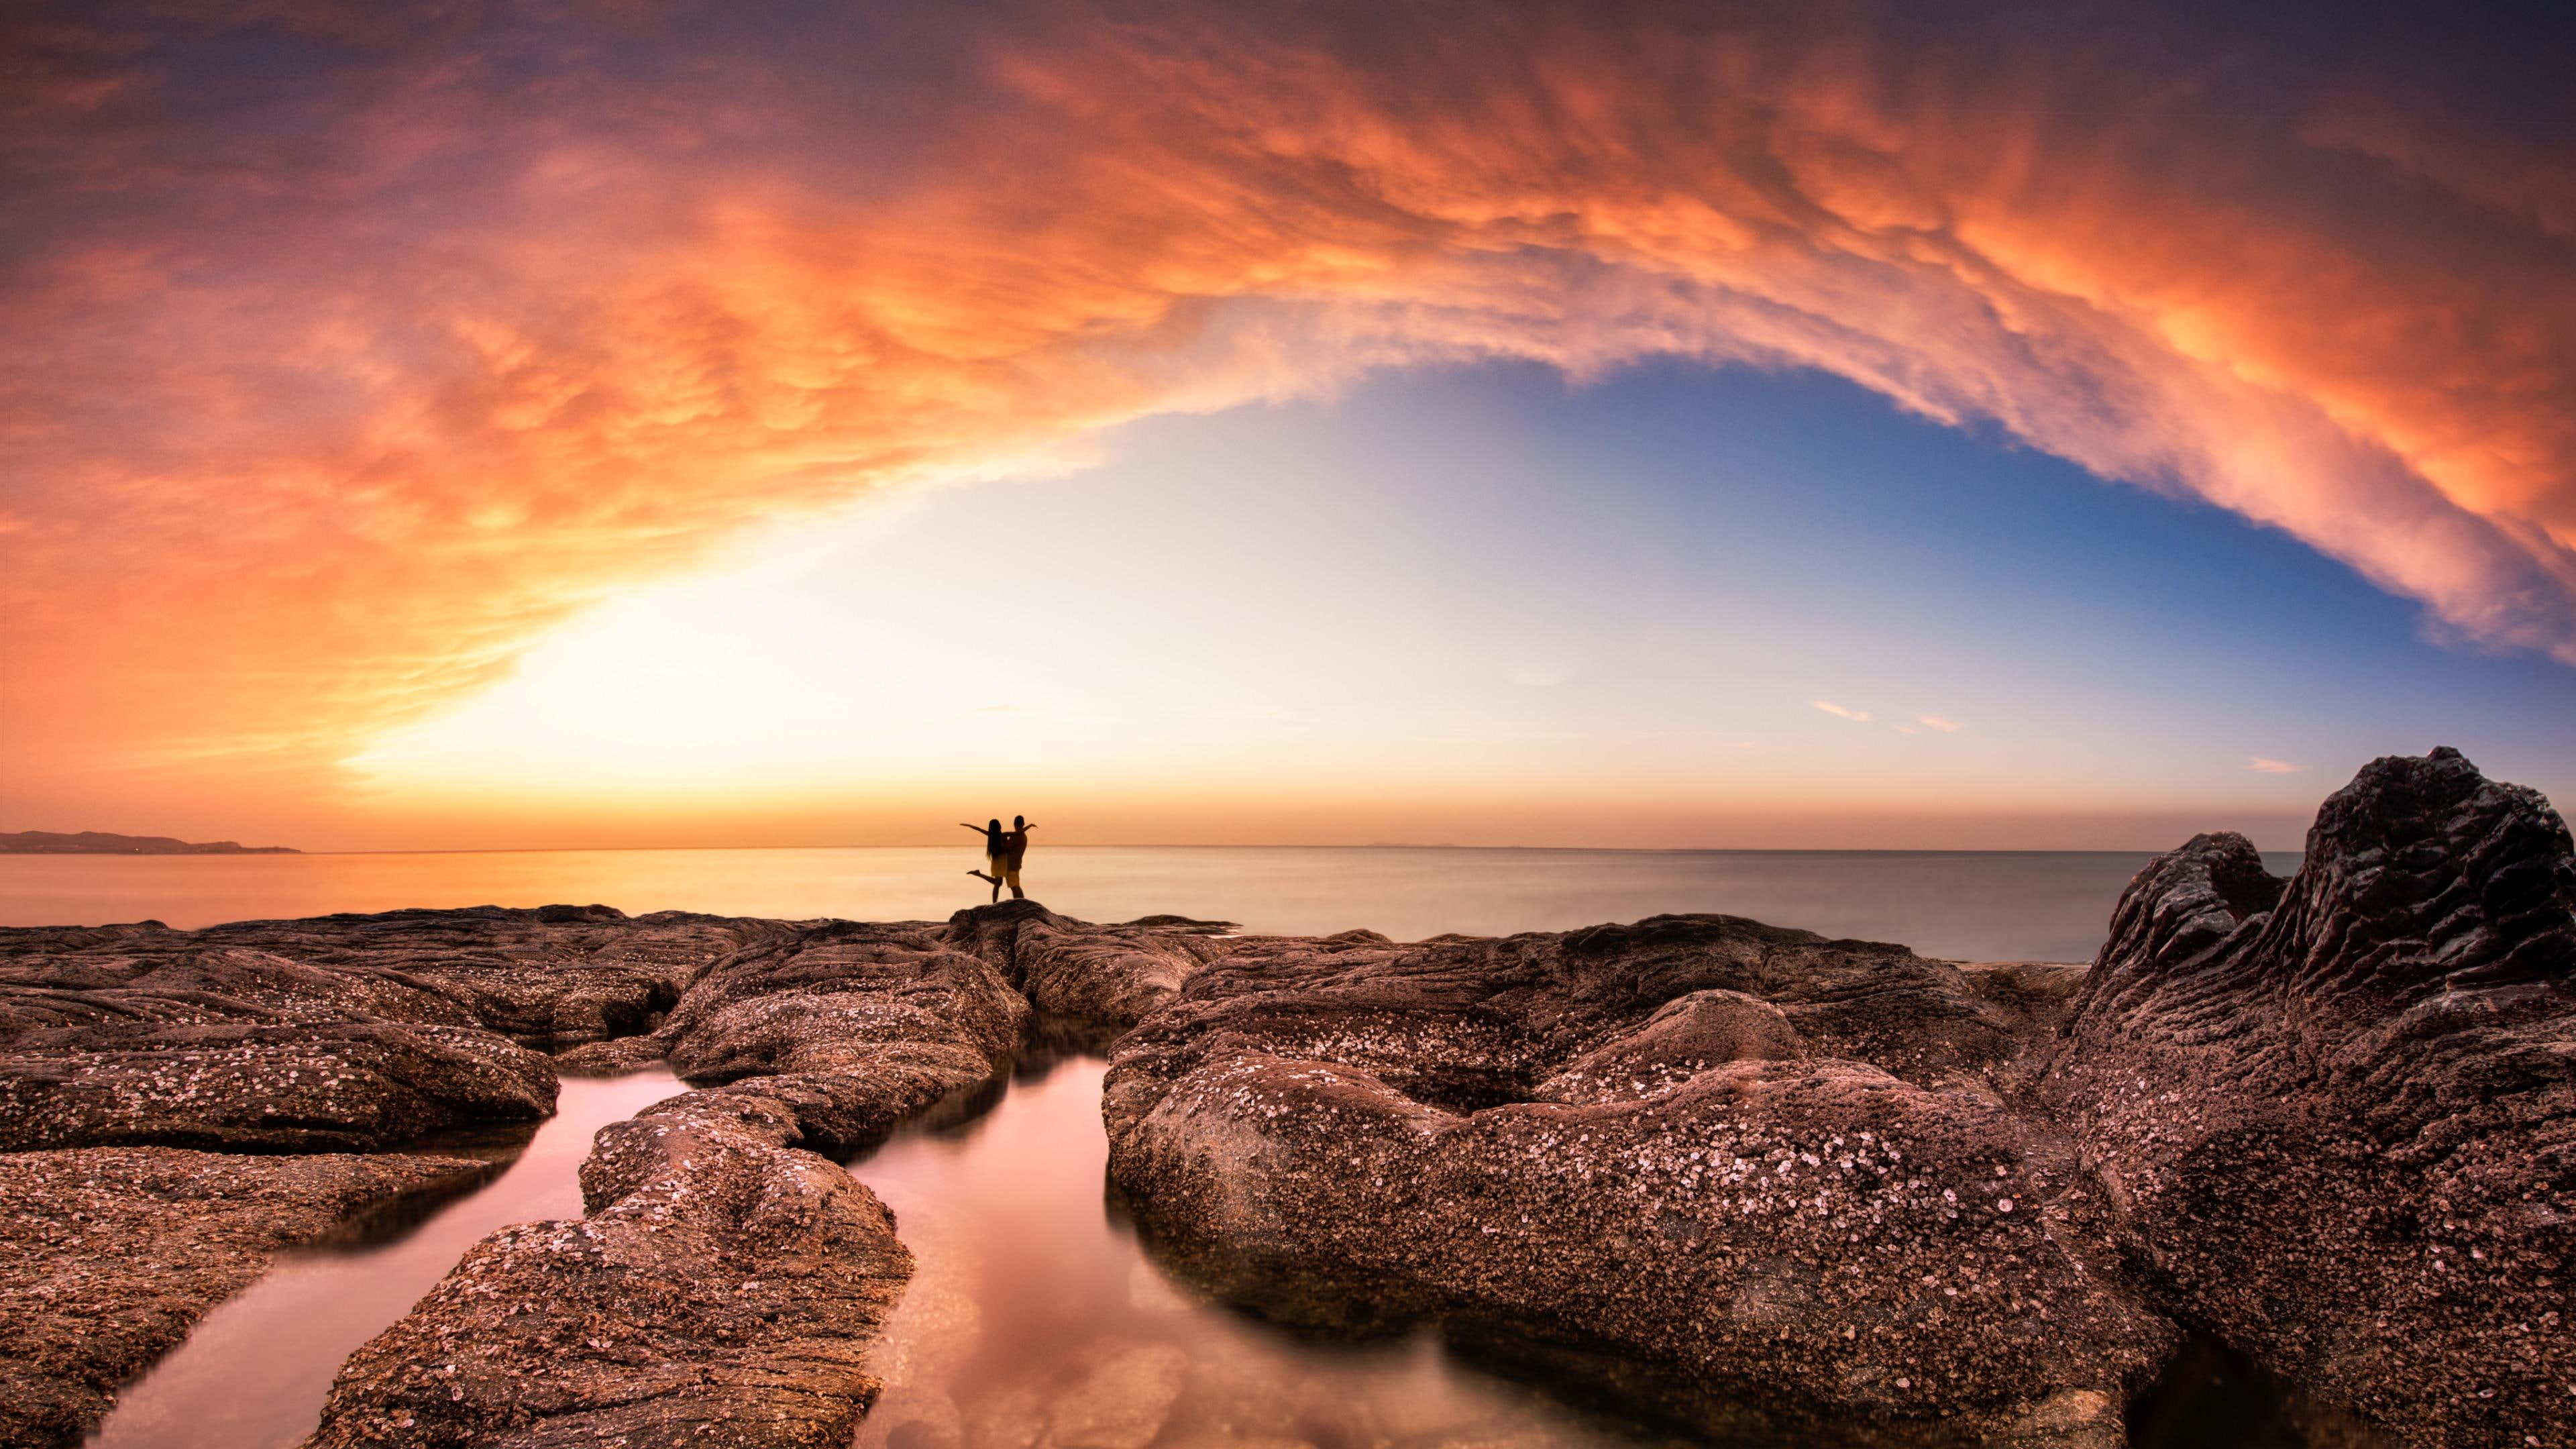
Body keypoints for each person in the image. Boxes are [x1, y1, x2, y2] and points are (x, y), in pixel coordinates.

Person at [960, 817, 1006, 902]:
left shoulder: (991, 835)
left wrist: (968, 825)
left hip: (997, 861)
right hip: (1000, 862)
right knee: (997, 884)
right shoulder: (1001, 836)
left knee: (998, 883)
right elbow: (979, 829)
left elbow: (979, 829)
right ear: (999, 826)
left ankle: (979, 874)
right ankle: (994, 903)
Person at [999, 814, 1036, 900]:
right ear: (1023, 824)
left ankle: (1018, 904)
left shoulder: (1016, 836)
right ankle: (1023, 903)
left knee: (1014, 887)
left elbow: (1007, 848)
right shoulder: (1024, 836)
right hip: (1017, 864)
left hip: (1011, 865)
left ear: (1014, 824)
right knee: (1017, 886)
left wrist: (1001, 843)